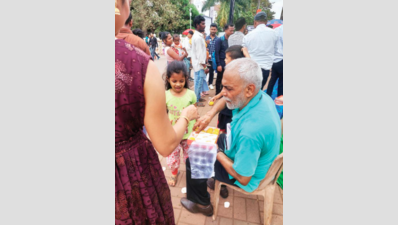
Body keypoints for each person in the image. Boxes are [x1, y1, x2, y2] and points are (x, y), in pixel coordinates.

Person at [115, 0, 199, 223]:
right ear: (120, 5)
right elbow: (164, 143)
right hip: (128, 174)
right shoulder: (138, 61)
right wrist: (186, 116)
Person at [180, 58, 281, 217]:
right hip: (241, 150)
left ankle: (202, 203)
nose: (223, 93)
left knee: (193, 159)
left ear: (249, 89)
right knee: (205, 145)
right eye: (223, 87)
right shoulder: (258, 96)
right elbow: (225, 101)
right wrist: (209, 115)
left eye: (228, 88)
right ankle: (212, 177)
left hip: (247, 174)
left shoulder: (250, 132)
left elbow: (243, 178)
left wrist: (216, 151)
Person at [165, 61, 197, 187]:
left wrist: (197, 123)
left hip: (189, 133)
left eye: (181, 81)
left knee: (189, 156)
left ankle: (191, 174)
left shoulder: (191, 94)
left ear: (186, 79)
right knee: (173, 156)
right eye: (174, 81)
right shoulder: (165, 95)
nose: (178, 84)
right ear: (168, 79)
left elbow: (194, 110)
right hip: (173, 134)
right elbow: (163, 113)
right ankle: (174, 173)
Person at [208, 45, 246, 133]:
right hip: (225, 108)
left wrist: (246, 54)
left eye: (227, 58)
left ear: (235, 61)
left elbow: (253, 67)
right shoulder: (228, 71)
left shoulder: (242, 74)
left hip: (232, 109)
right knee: (223, 129)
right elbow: (224, 88)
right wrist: (217, 96)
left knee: (230, 129)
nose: (225, 60)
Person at [242, 11, 277, 90]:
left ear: (255, 22)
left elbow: (244, 50)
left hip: (252, 69)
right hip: (266, 68)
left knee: (249, 91)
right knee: (259, 90)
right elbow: (276, 49)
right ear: (266, 22)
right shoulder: (274, 33)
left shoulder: (248, 35)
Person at [191, 15, 208, 107]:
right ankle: (196, 101)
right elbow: (200, 54)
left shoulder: (198, 36)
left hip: (198, 64)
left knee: (199, 82)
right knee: (198, 83)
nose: (204, 25)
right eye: (202, 24)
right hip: (199, 65)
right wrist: (205, 66)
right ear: (197, 25)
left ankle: (197, 97)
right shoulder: (197, 37)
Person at [214, 23, 235, 95]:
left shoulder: (232, 40)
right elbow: (216, 53)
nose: (232, 32)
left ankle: (224, 93)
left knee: (227, 79)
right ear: (225, 30)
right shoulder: (220, 40)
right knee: (219, 79)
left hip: (230, 63)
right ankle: (217, 93)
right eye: (230, 31)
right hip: (222, 62)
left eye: (233, 31)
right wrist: (218, 64)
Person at [267, 25, 283, 104]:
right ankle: (279, 101)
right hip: (282, 59)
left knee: (272, 80)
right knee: (281, 82)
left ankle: (267, 98)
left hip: (274, 59)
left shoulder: (275, 30)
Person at [205, 23, 218, 90]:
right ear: (209, 29)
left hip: (213, 59)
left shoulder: (218, 39)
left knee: (211, 71)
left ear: (216, 30)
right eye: (212, 29)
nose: (213, 30)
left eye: (214, 29)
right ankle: (204, 85)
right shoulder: (206, 38)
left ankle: (210, 83)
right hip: (206, 59)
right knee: (205, 71)